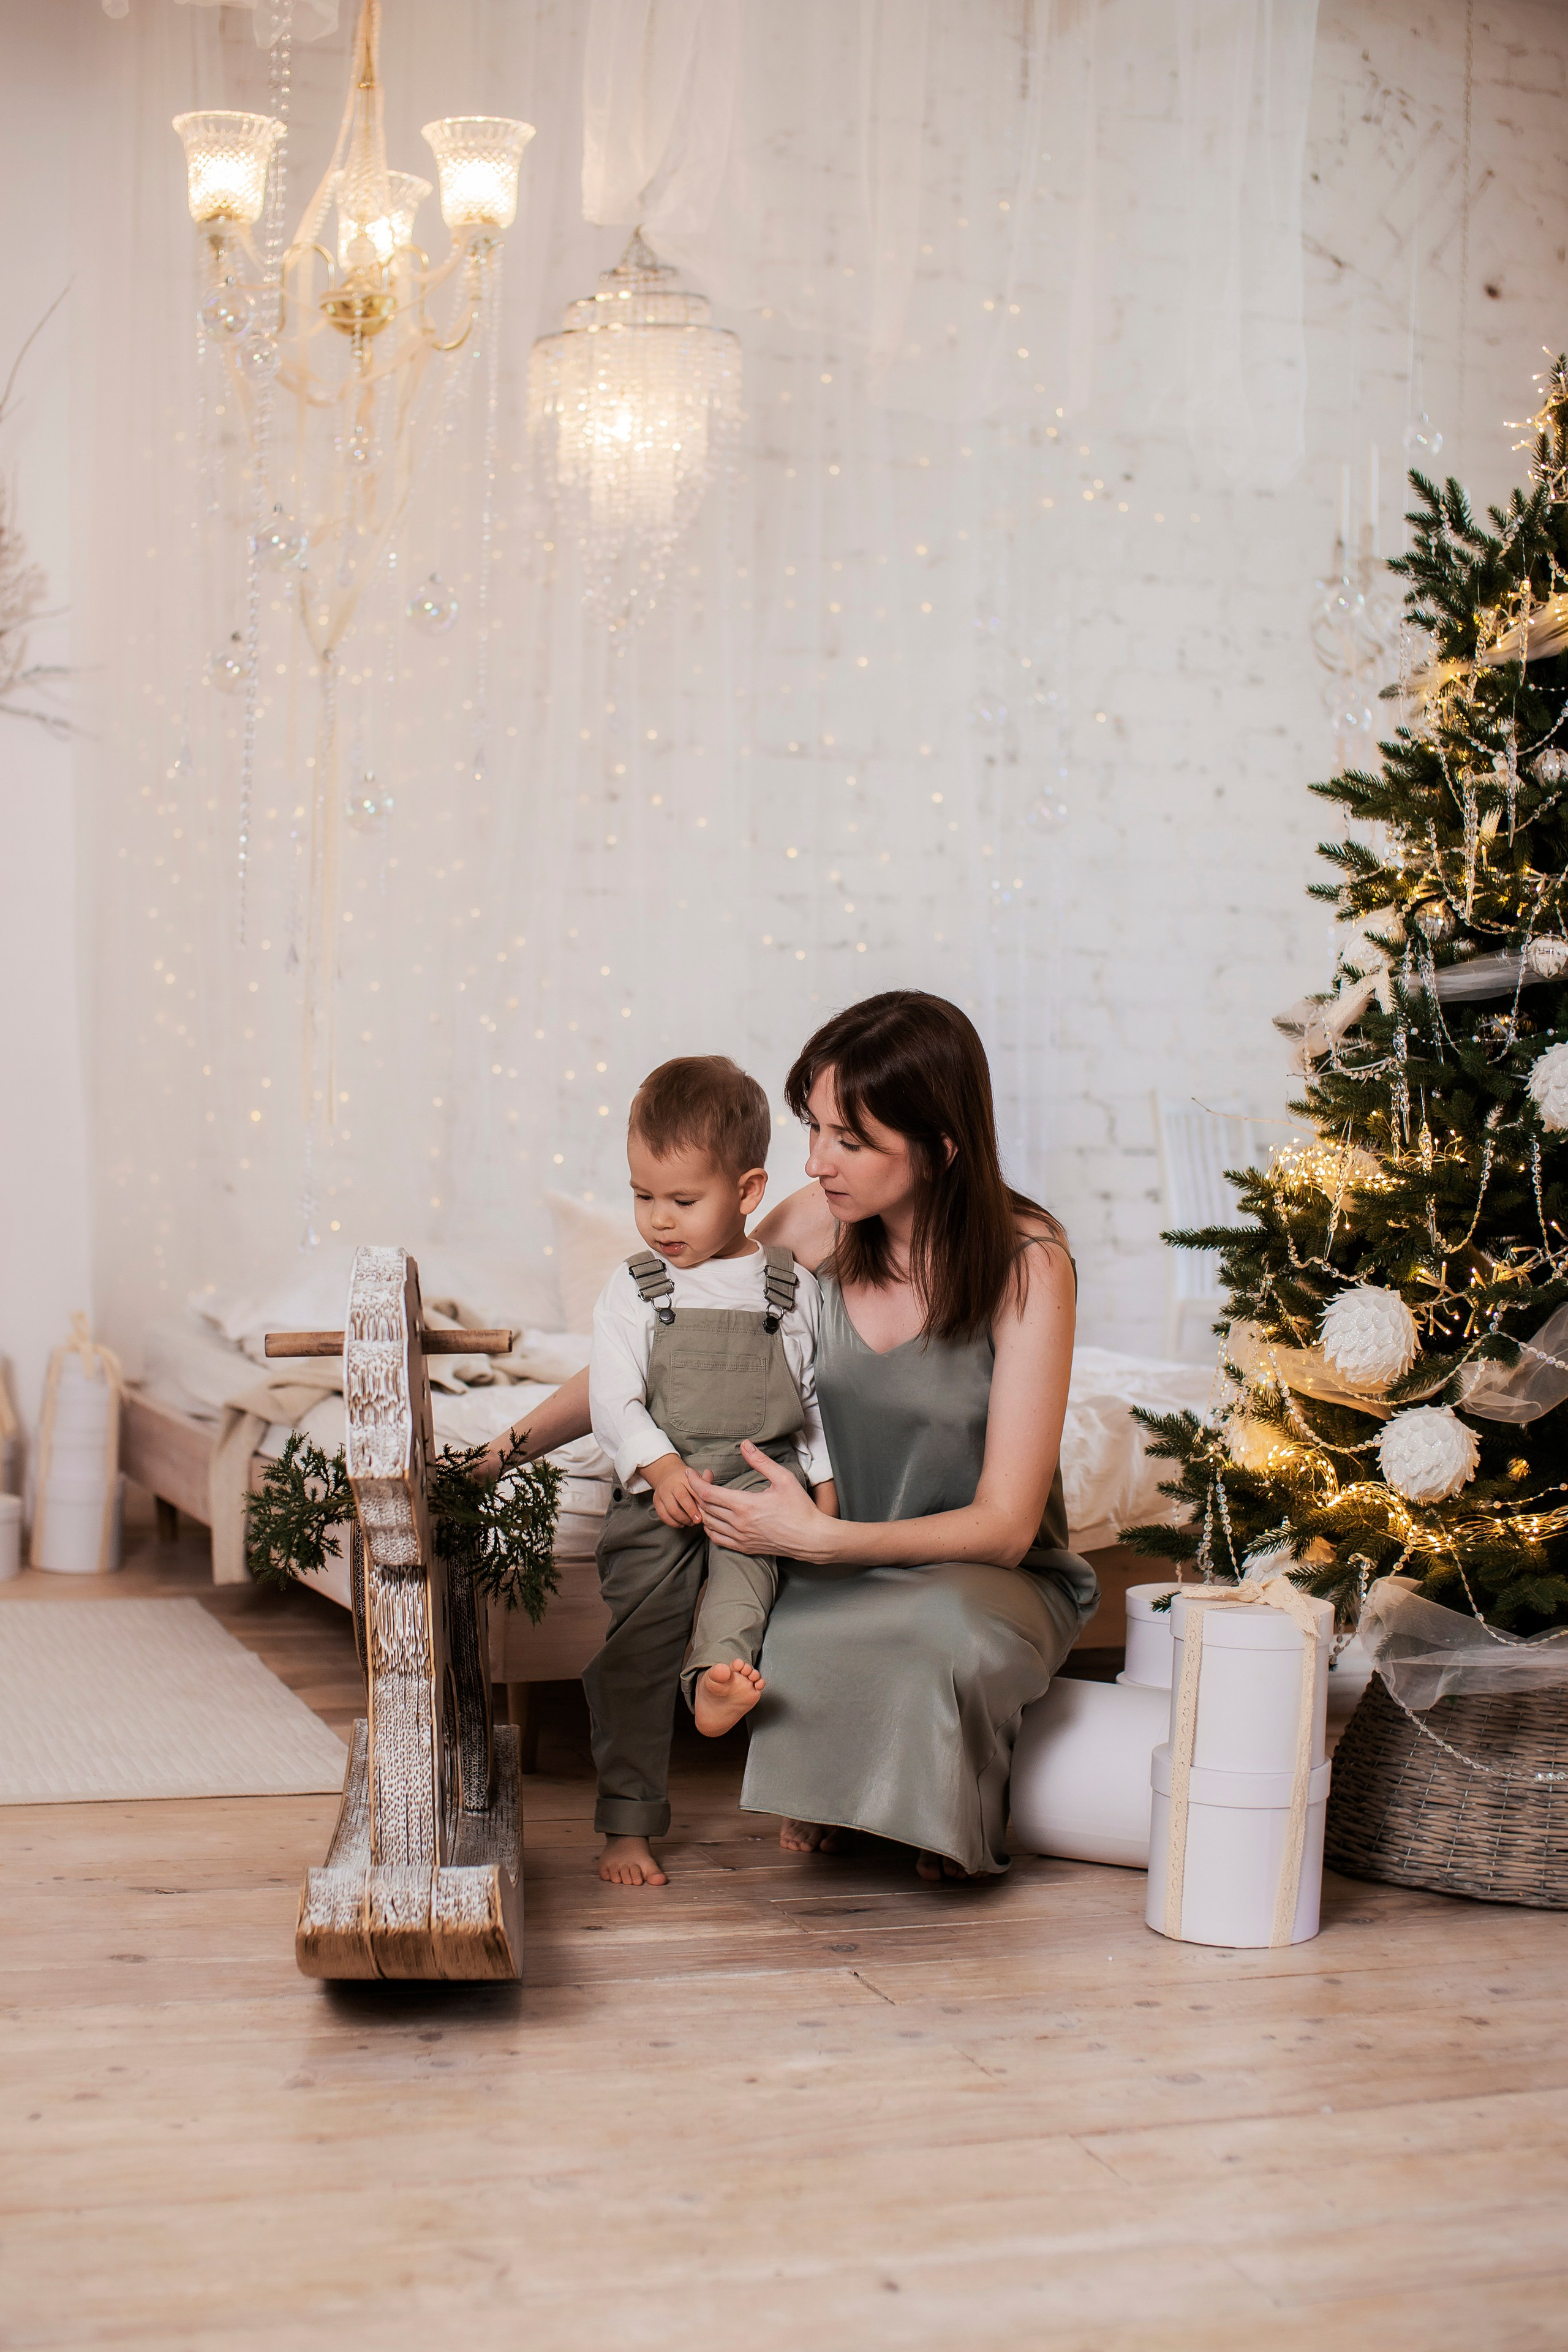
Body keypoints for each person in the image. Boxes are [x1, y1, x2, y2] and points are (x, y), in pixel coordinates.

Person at [482, 990, 1093, 1882]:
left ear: (941, 1147)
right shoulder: (816, 1220)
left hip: (976, 1569)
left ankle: (944, 1813)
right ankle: (849, 1798)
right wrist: (496, 1454)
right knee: (781, 1634)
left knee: (944, 1628)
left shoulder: (1028, 1263)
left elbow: (1005, 1525)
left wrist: (826, 1537)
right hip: (819, 1550)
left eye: (850, 1139)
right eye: (813, 1127)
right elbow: (667, 1353)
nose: (816, 1161)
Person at [582, 1056, 838, 1888]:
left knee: (745, 1591)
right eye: (642, 1195)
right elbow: (612, 1397)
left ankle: (714, 1691)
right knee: (637, 1643)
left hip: (758, 1484)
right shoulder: (633, 1287)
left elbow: (813, 1400)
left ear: (749, 1188)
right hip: (663, 1486)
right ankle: (627, 1823)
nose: (659, 1220)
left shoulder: (787, 1286)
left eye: (683, 1200)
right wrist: (656, 1467)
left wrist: (825, 1491)